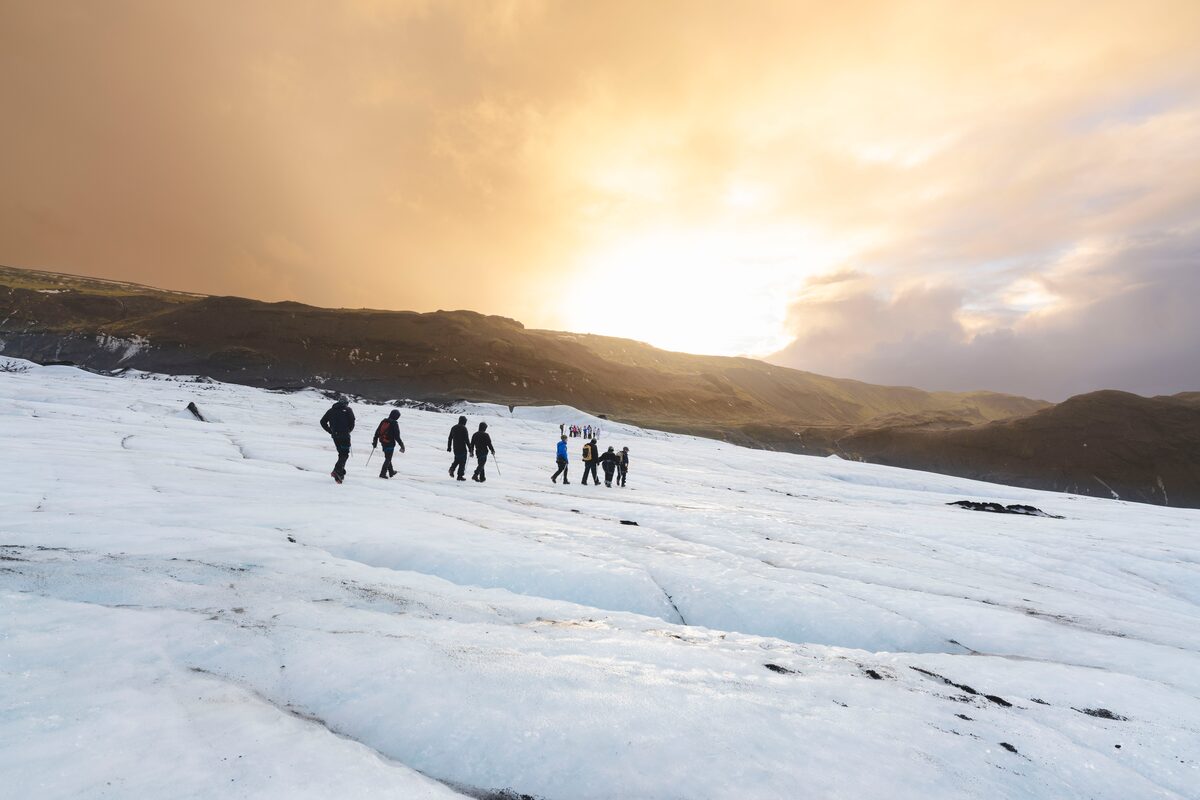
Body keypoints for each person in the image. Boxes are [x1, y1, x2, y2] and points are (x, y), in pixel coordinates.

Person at [319, 397, 356, 484]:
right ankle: (337, 471)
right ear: (346, 403)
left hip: (335, 436)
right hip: (344, 436)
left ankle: (340, 473)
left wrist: (330, 431)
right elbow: (352, 423)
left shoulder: (331, 410)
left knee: (341, 453)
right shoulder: (348, 410)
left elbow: (322, 422)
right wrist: (348, 431)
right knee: (345, 454)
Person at [372, 409, 406, 479]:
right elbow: (397, 436)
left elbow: (377, 432)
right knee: (388, 458)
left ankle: (391, 472)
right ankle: (382, 474)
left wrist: (375, 441)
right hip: (390, 443)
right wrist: (402, 445)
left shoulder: (384, 421)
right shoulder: (394, 423)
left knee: (388, 457)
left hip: (383, 442)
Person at [447, 415, 471, 481]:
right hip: (462, 447)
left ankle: (452, 469)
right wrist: (470, 448)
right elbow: (466, 439)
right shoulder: (464, 428)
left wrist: (449, 447)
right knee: (462, 461)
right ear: (464, 421)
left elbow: (450, 438)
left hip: (455, 447)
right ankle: (460, 476)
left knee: (457, 459)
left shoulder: (453, 427)